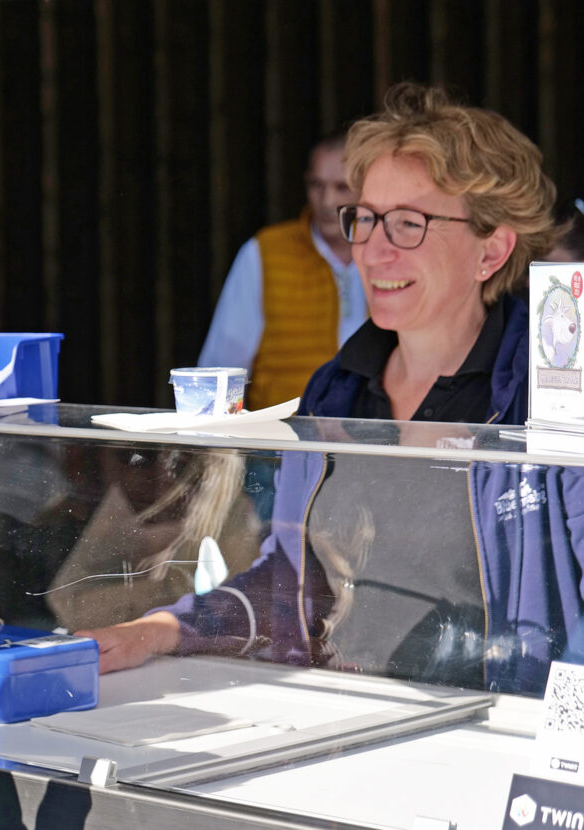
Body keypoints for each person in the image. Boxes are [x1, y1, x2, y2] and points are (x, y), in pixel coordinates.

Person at [80, 82, 572, 696]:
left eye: (409, 223)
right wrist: (156, 629)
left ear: (491, 249)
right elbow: (293, 585)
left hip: (495, 733)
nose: (372, 250)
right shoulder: (335, 392)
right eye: (365, 219)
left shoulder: (549, 393)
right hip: (341, 720)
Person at [197, 134, 367, 410]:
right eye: (317, 185)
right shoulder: (264, 252)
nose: (326, 201)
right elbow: (221, 370)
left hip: (371, 439)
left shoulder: (389, 254)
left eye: (342, 187)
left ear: (366, 190)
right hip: (280, 442)